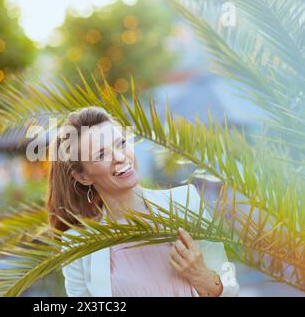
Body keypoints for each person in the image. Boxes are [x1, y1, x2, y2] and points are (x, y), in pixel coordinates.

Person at [46, 106, 239, 297]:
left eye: (121, 143)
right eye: (102, 155)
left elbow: (231, 289)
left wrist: (201, 275)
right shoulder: (78, 244)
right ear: (83, 177)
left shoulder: (185, 201)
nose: (120, 157)